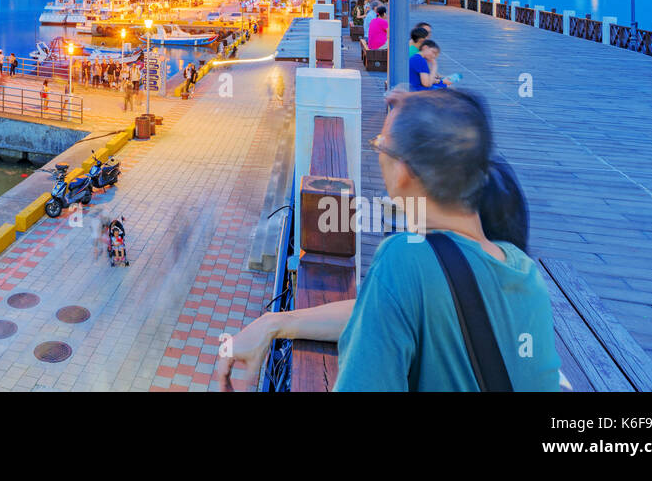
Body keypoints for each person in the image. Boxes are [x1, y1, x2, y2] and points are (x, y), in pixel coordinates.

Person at [217, 87, 560, 392]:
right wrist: (276, 322)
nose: (377, 150)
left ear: (403, 171)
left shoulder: (405, 259)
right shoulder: (523, 271)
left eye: (380, 144)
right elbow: (380, 310)